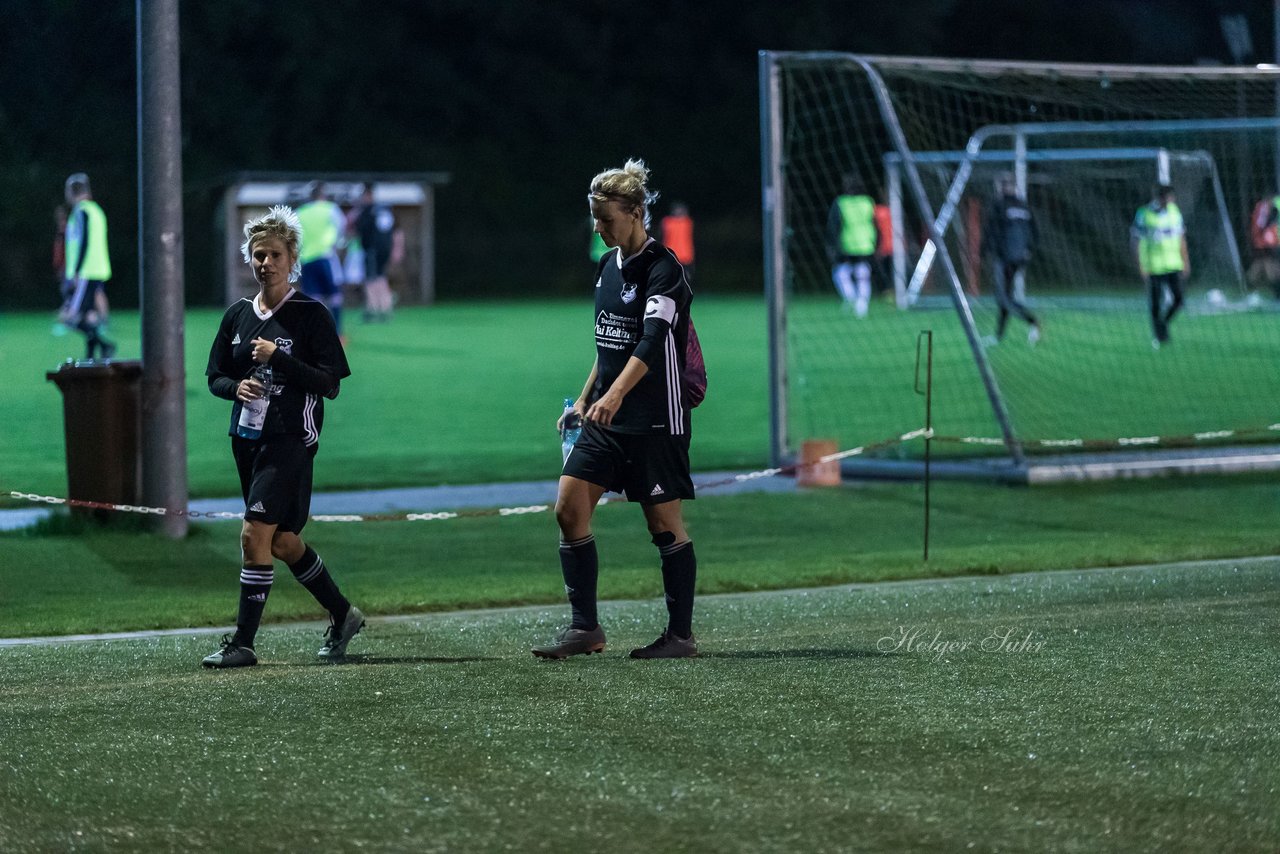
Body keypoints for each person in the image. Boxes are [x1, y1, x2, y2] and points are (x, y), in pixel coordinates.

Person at [533, 159, 700, 661]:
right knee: (569, 508)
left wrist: (614, 395)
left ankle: (680, 637)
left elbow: (650, 343)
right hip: (607, 416)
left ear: (635, 212)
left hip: (654, 418)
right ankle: (585, 628)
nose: (597, 227)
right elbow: (609, 345)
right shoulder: (608, 267)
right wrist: (587, 398)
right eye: (594, 216)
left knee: (662, 524)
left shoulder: (665, 270)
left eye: (605, 217)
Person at [202, 205, 362, 668]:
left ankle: (244, 643)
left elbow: (329, 383)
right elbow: (214, 376)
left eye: (274, 254)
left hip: (292, 438)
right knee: (283, 542)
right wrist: (237, 387)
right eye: (258, 255)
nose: (265, 263)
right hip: (246, 438)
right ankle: (343, 614)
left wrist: (279, 359)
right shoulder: (236, 316)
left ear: (293, 258)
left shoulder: (311, 315)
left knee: (254, 535)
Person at [61, 173, 116, 359]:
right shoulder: (96, 210)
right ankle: (91, 355)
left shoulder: (81, 211)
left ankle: (105, 345)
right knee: (88, 317)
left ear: (72, 192)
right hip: (97, 269)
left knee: (69, 317)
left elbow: (84, 241)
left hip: (86, 271)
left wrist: (76, 271)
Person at [982, 173, 1041, 345]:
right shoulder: (1024, 206)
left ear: (1001, 187)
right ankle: (998, 336)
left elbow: (990, 231)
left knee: (1003, 298)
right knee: (1005, 295)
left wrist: (983, 252)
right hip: (1020, 259)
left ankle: (1033, 321)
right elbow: (1035, 233)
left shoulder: (998, 205)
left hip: (1004, 258)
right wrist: (1028, 250)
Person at [1131, 183, 1190, 348]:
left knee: (1179, 300)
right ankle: (1160, 335)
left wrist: (1186, 261)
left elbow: (1181, 238)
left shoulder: (1174, 212)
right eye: (1168, 197)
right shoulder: (1144, 214)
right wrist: (1140, 264)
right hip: (1154, 266)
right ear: (1160, 198)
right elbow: (1135, 240)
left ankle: (1162, 324)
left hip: (1173, 264)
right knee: (1155, 303)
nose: (1171, 201)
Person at [296, 182, 348, 337]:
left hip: (306, 258)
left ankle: (314, 332)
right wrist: (338, 243)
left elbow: (294, 234)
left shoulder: (301, 212)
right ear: (323, 195)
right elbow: (342, 227)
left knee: (313, 297)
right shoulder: (330, 209)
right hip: (326, 256)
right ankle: (337, 331)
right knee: (335, 294)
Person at [825, 174, 880, 317]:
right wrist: (876, 242)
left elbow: (833, 226)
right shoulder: (868, 202)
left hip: (847, 244)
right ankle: (862, 304)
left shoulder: (841, 202)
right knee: (863, 273)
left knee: (840, 272)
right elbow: (875, 224)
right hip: (866, 244)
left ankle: (850, 297)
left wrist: (832, 245)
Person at [352, 184, 397, 322]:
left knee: (371, 279)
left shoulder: (367, 211)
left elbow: (360, 229)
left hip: (372, 248)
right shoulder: (384, 210)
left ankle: (372, 309)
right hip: (385, 249)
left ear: (368, 196)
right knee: (381, 277)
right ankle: (385, 308)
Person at [1246, 194, 1280, 303]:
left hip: (1268, 242)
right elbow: (1260, 225)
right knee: (1267, 268)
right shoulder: (1263, 207)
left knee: (1263, 267)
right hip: (1266, 243)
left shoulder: (1265, 206)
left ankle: (1252, 292)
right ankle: (1275, 295)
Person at [659, 201, 695, 282]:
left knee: (685, 276)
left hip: (685, 255)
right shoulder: (667, 222)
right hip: (671, 254)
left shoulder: (687, 222)